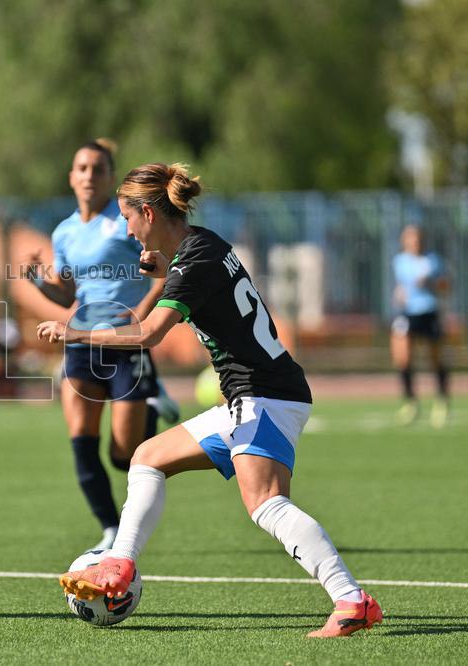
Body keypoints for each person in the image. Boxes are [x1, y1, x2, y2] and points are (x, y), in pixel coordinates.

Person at [37, 163, 381, 638]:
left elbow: (148, 334)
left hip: (264, 396)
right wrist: (164, 266)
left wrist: (73, 331)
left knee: (266, 503)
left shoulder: (192, 262)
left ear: (148, 212)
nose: (125, 228)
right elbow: (194, 278)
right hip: (257, 395)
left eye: (127, 217)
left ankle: (350, 600)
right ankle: (120, 562)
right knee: (148, 457)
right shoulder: (202, 244)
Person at [27, 139, 179, 552]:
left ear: (112, 177)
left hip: (127, 344)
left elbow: (163, 273)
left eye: (98, 169)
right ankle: (111, 530)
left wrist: (141, 317)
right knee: (80, 437)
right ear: (71, 177)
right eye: (82, 168)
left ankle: (150, 401)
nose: (90, 175)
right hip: (81, 342)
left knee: (123, 456)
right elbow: (67, 294)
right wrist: (39, 281)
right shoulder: (64, 232)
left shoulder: (128, 220)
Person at [391, 224, 450, 427]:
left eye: (415, 239)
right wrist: (398, 294)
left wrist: (431, 284)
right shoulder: (399, 261)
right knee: (402, 356)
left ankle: (441, 400)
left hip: (429, 311)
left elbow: (445, 286)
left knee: (435, 358)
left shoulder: (432, 260)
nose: (412, 243)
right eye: (408, 239)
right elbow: (401, 285)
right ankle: (410, 402)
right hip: (408, 313)